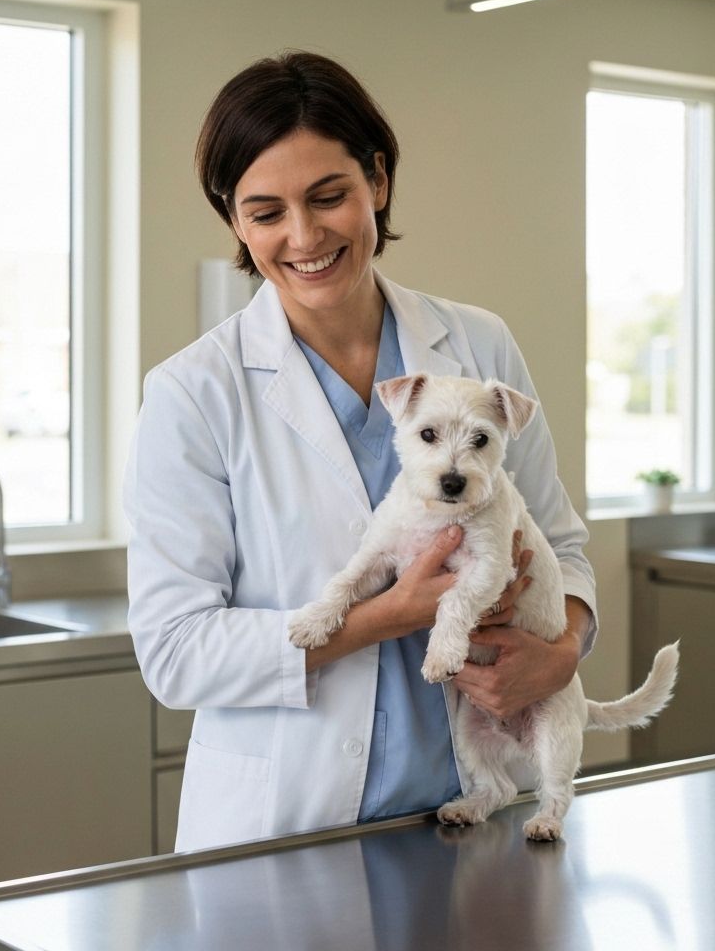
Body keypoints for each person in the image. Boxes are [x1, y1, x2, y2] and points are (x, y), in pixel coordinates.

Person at [125, 51, 597, 853]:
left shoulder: (479, 344)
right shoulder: (193, 392)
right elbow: (175, 654)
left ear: (377, 181)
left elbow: (564, 547)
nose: (303, 237)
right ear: (234, 219)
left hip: (465, 807)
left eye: (329, 197)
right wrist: (382, 617)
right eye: (265, 211)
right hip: (287, 826)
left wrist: (560, 654)